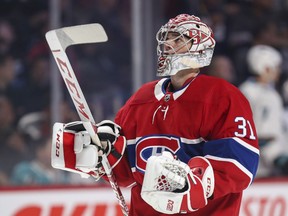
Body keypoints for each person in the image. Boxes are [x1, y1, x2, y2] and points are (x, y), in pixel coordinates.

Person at [51, 14, 259, 215]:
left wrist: (198, 185)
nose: (168, 44)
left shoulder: (222, 97)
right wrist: (102, 155)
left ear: (199, 48)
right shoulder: (142, 98)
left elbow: (240, 165)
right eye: (167, 37)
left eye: (179, 39)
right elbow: (125, 172)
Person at [239, 44, 288, 177]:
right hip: (265, 168)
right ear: (265, 68)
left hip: (248, 165)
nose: (278, 71)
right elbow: (266, 135)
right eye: (275, 67)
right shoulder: (265, 96)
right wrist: (279, 160)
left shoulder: (245, 90)